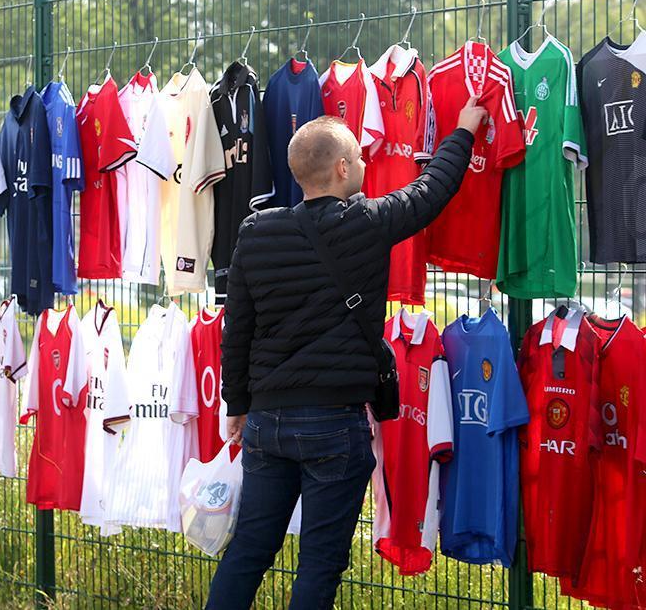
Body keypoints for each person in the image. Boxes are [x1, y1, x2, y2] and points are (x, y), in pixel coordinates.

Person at [207, 97, 488, 609]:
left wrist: (237, 405)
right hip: (334, 422)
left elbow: (237, 329)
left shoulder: (255, 233)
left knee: (248, 549)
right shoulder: (366, 222)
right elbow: (430, 192)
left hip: (267, 421)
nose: (365, 164)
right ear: (340, 168)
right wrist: (463, 131)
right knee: (319, 562)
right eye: (358, 157)